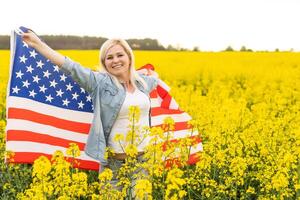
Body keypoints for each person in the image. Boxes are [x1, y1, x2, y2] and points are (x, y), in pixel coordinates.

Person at [21, 31, 158, 179]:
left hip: (143, 162)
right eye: (109, 57)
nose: (115, 60)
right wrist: (37, 44)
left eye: (120, 55)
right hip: (114, 164)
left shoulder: (143, 83)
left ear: (129, 57)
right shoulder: (99, 83)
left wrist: (147, 72)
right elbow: (71, 67)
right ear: (104, 63)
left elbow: (155, 78)